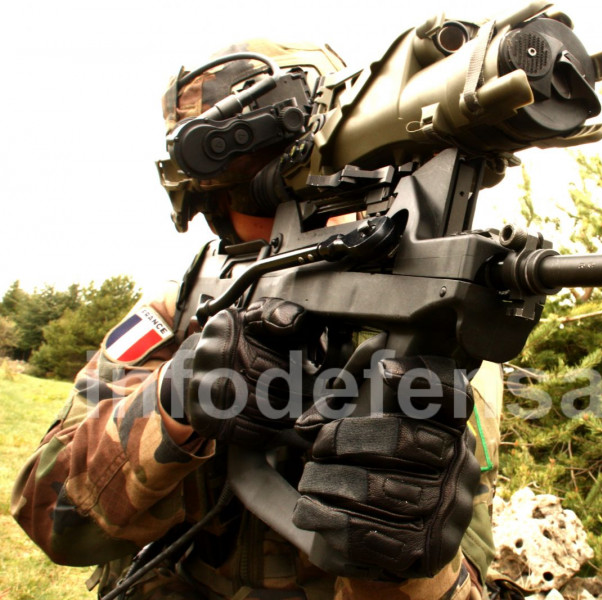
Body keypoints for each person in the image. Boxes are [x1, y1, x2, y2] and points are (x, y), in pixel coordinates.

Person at [11, 39, 501, 600]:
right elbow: (47, 514)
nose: (317, 205)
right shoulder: (178, 314)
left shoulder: (438, 345)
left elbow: (466, 584)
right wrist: (176, 401)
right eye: (263, 190)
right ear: (214, 205)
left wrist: (403, 553)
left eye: (340, 174)